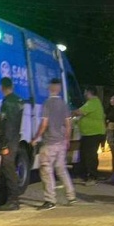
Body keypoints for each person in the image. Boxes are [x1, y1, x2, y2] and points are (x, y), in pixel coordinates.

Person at [32, 78, 77, 210]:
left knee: (46, 170)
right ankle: (71, 196)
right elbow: (68, 125)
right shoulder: (64, 104)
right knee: (61, 169)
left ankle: (50, 200)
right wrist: (67, 140)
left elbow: (44, 124)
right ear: (59, 89)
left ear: (50, 88)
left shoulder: (47, 103)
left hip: (50, 142)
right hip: (61, 142)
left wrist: (36, 137)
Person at [0, 77, 24, 211]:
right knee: (5, 169)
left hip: (8, 141)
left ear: (2, 87)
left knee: (8, 170)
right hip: (14, 139)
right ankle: (4, 198)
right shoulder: (18, 100)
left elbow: (7, 125)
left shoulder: (8, 102)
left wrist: (4, 145)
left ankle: (13, 200)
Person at [73, 86, 105, 185]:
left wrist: (69, 112)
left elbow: (79, 112)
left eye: (85, 92)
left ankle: (92, 177)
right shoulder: (91, 103)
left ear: (89, 92)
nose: (84, 94)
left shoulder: (93, 102)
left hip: (93, 134)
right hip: (88, 134)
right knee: (83, 155)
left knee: (90, 156)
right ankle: (83, 176)